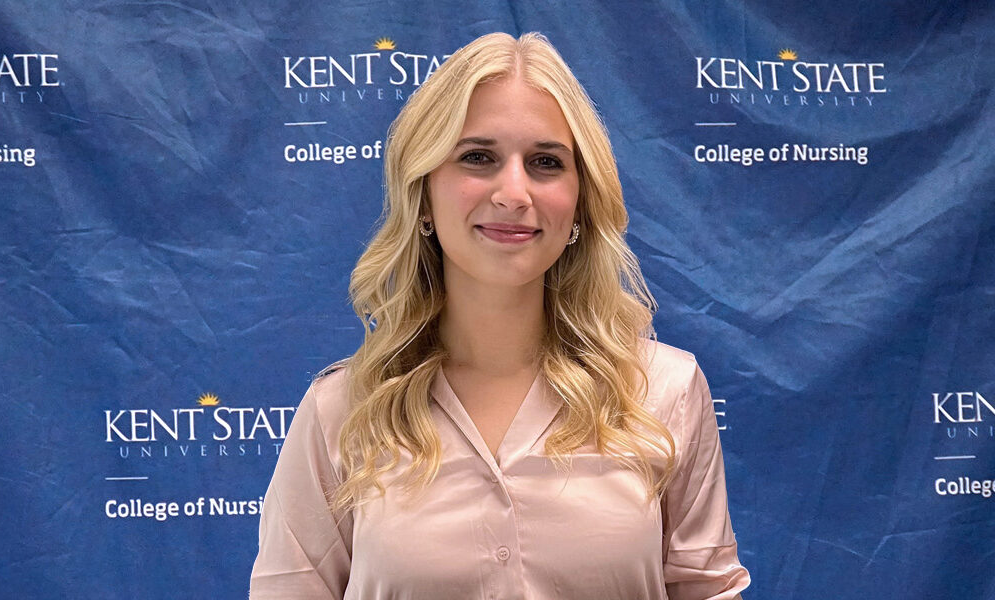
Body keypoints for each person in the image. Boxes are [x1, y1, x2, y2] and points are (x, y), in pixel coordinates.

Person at [250, 31, 750, 599]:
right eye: (478, 157)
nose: (514, 192)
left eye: (545, 162)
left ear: (581, 200)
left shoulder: (665, 392)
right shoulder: (342, 411)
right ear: (424, 194)